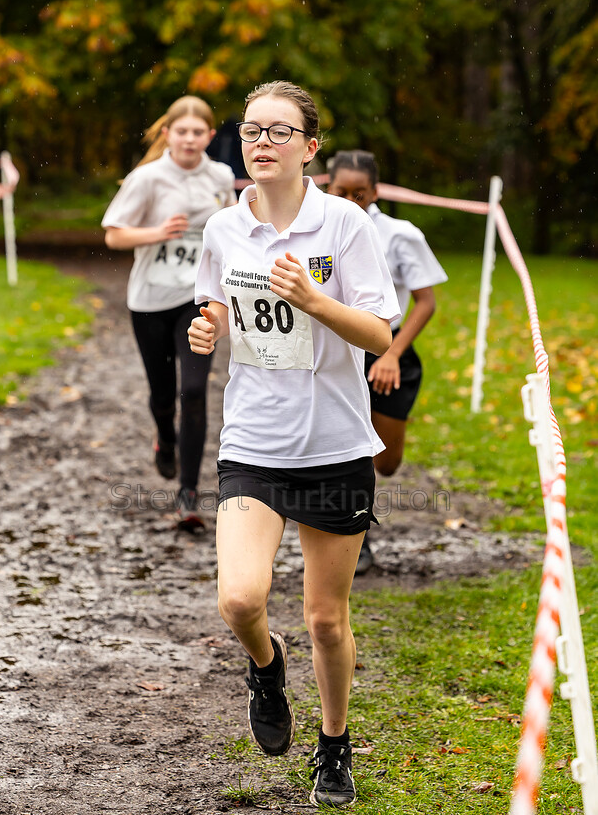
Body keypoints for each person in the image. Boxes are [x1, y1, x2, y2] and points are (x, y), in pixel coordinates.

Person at [188, 81, 400, 808]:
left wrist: (315, 302)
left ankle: (333, 747)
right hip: (253, 440)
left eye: (280, 132)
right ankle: (266, 669)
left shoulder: (343, 225)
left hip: (337, 445)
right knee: (240, 600)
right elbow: (216, 297)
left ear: (310, 148)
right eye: (252, 131)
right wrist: (207, 325)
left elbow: (379, 333)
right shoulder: (223, 229)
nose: (263, 143)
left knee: (323, 618)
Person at [102, 96, 236, 530]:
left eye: (199, 132)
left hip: (198, 299)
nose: (190, 139)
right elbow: (113, 236)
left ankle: (188, 496)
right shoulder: (147, 178)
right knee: (163, 394)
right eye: (183, 131)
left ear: (210, 138)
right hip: (150, 300)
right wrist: (158, 232)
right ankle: (165, 437)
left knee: (194, 392)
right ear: (168, 135)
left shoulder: (220, 177)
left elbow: (234, 232)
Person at [326, 150, 448, 573]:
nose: (352, 200)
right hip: (338, 352)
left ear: (375, 192)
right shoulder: (315, 227)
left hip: (388, 352)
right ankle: (356, 538)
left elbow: (425, 302)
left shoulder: (399, 234)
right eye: (342, 192)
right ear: (328, 185)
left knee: (386, 461)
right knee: (350, 450)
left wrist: (392, 354)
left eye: (361, 194)